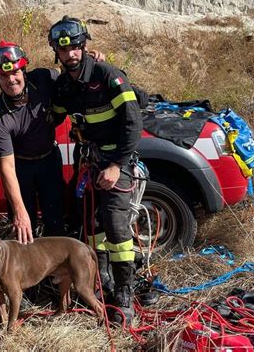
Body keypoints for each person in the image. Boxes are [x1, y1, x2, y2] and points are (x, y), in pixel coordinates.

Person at [49, 16, 143, 325]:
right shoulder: (64, 85)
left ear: (84, 46)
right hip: (88, 162)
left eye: (76, 47)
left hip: (116, 162)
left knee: (117, 228)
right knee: (91, 228)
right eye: (64, 51)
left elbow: (133, 123)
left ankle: (125, 298)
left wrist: (117, 165)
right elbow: (53, 115)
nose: (71, 54)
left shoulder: (108, 75)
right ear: (57, 53)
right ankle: (104, 286)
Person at [0, 40, 66, 244]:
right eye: (3, 76)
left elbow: (68, 71)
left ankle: (57, 273)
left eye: (15, 72)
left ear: (24, 71)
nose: (11, 80)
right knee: (25, 226)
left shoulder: (41, 78)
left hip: (49, 160)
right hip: (22, 168)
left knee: (56, 221)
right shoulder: (0, 118)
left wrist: (92, 60)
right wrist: (19, 212)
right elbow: (7, 167)